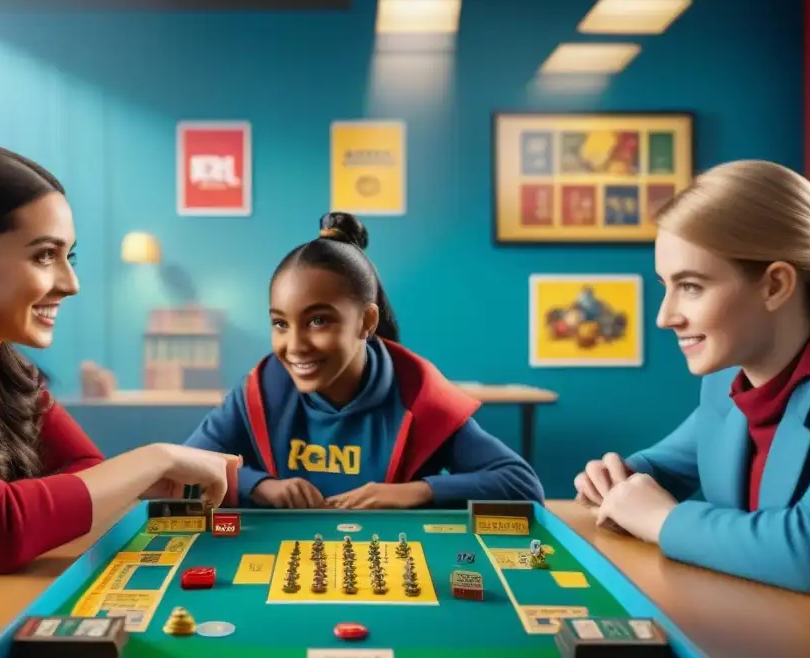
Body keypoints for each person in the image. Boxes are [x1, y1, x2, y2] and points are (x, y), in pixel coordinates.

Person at [0, 145, 238, 583]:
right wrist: (155, 460)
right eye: (44, 256)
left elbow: (86, 470)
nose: (71, 284)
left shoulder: (3, 367)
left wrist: (24, 508)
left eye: (68, 257)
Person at [573, 159, 810, 601]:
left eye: (690, 286)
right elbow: (663, 467)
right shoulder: (728, 382)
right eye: (665, 285)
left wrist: (660, 520)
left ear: (775, 286)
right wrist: (618, 478)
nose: (665, 317)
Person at [186, 212, 544, 509]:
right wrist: (260, 485)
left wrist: (412, 493)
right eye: (280, 323)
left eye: (318, 321)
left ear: (366, 322)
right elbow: (184, 467)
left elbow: (522, 485)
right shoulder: (263, 387)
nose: (294, 346)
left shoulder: (417, 393)